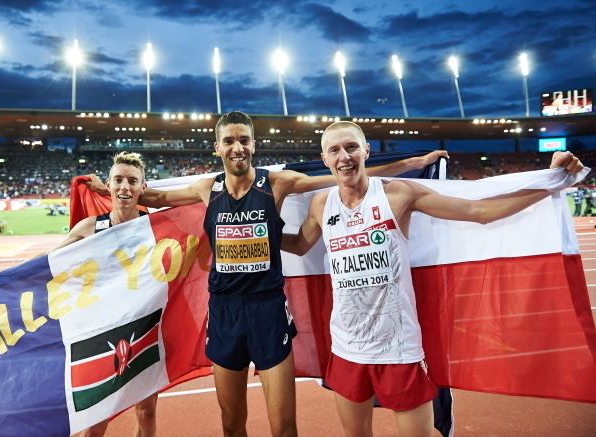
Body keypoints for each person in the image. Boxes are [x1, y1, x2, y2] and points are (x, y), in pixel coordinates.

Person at [85, 111, 447, 437]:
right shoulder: (206, 188)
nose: (237, 147)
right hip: (224, 313)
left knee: (284, 428)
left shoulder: (276, 183)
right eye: (229, 140)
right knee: (231, 424)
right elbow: (160, 199)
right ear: (217, 147)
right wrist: (112, 192)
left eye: (244, 140)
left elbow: (341, 175)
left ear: (253, 144)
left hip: (269, 311)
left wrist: (415, 161)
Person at [281, 121, 584, 437]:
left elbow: (479, 211)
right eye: (335, 150)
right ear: (325, 158)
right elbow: (300, 245)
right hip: (346, 348)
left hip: (398, 350)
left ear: (366, 151)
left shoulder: (398, 195)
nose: (344, 156)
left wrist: (551, 181)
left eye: (351, 147)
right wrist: (260, 233)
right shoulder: (320, 204)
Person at [53, 152, 159, 437]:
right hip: (102, 334)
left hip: (145, 328)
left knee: (147, 413)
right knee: (97, 421)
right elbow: (46, 264)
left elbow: (189, 201)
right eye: (118, 180)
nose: (125, 187)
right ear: (109, 185)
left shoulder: (155, 225)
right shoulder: (90, 228)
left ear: (143, 188)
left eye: (132, 181)